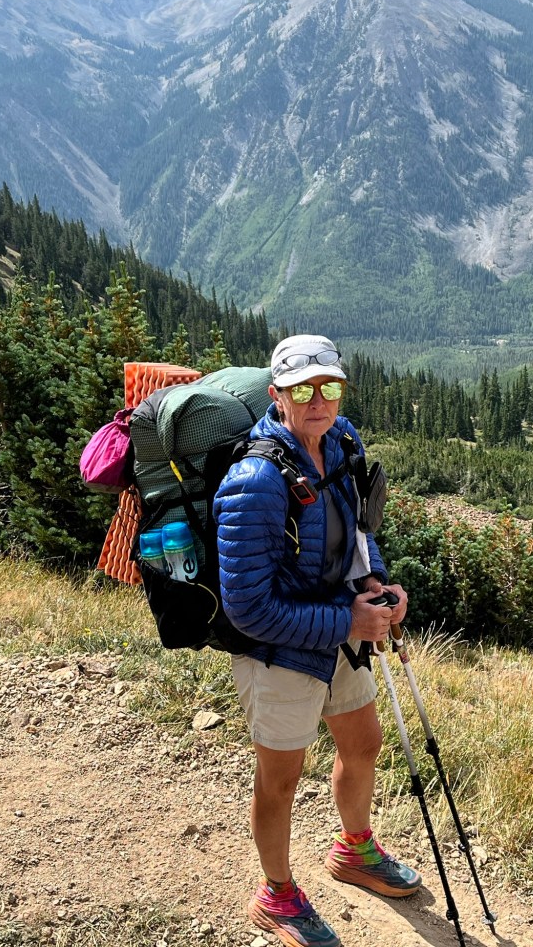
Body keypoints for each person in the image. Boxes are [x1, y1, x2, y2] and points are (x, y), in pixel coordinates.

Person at [213, 334, 422, 947]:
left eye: (330, 386)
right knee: (279, 779)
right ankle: (276, 895)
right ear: (276, 395)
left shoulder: (341, 441)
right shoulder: (255, 480)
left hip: (339, 624)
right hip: (278, 650)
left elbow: (357, 528)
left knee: (363, 742)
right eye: (302, 390)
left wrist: (375, 582)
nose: (319, 401)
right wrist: (347, 622)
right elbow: (247, 609)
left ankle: (354, 850)